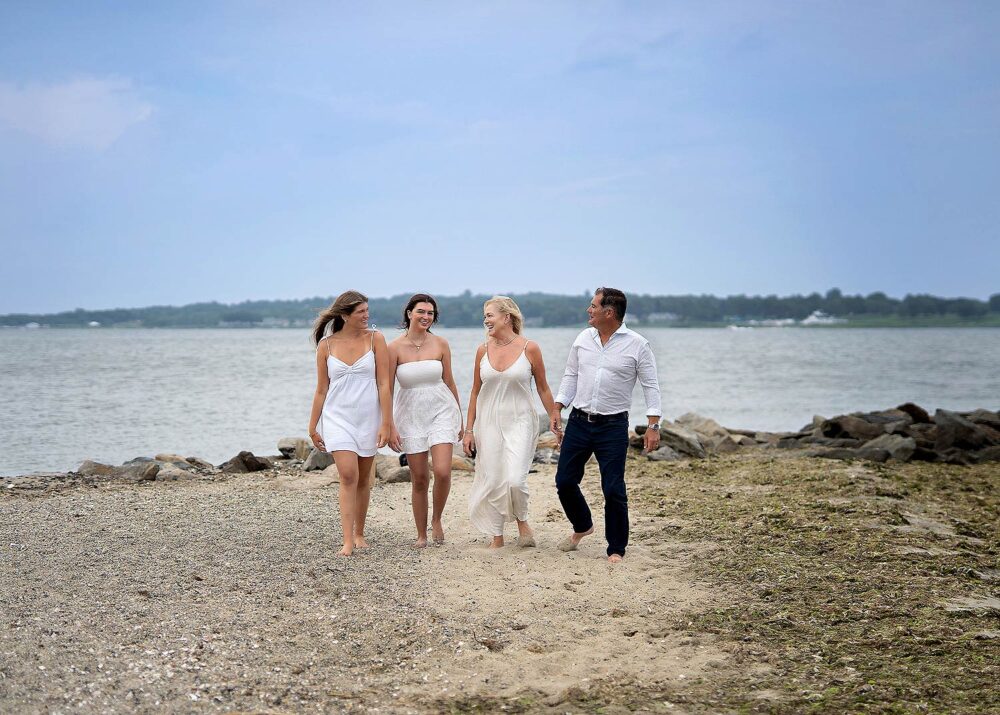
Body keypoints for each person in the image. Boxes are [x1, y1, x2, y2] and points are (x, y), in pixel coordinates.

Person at [550, 287, 662, 563]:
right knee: (564, 481)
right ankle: (583, 526)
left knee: (613, 488)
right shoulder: (583, 339)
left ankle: (616, 548)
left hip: (612, 426)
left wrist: (653, 425)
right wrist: (558, 406)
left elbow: (651, 386)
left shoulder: (638, 345)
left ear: (608, 312)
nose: (589, 310)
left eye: (593, 306)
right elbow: (571, 375)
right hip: (578, 421)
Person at [308, 290, 400, 556]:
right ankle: (347, 540)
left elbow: (384, 383)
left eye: (367, 311)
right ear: (345, 315)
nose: (366, 316)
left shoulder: (376, 339)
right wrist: (312, 426)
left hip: (368, 417)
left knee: (363, 480)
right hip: (338, 417)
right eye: (361, 312)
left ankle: (360, 532)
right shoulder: (326, 345)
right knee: (348, 475)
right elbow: (321, 390)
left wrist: (387, 423)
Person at [463, 296, 559, 548]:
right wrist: (468, 429)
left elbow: (543, 389)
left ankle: (522, 520)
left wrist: (554, 419)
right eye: (484, 316)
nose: (485, 320)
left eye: (490, 315)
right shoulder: (482, 350)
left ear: (506, 317)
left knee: (515, 479)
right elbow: (474, 391)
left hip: (521, 420)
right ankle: (497, 535)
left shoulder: (530, 348)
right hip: (489, 422)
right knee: (494, 478)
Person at [388, 293, 464, 548]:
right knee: (419, 478)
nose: (426, 317)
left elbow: (450, 381)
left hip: (442, 409)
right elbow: (386, 389)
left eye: (430, 313)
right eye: (421, 311)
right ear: (409, 313)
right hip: (409, 414)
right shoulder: (394, 348)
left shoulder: (441, 344)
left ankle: (437, 519)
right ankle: (421, 534)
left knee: (442, 471)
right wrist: (388, 425)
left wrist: (460, 417)